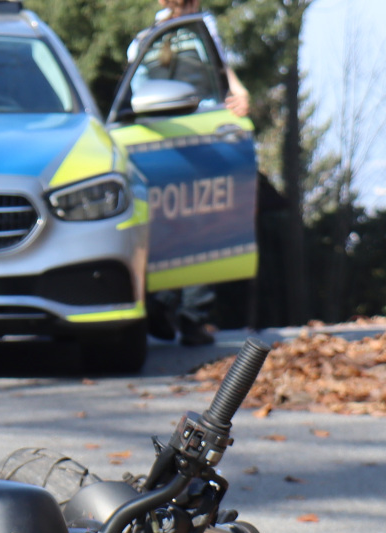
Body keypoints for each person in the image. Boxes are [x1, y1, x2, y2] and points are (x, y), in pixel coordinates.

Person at [129, 1, 249, 347]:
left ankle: (191, 315)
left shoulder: (201, 30)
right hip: (165, 142)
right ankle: (166, 308)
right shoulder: (147, 39)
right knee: (178, 225)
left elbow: (223, 72)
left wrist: (237, 94)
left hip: (196, 138)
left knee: (194, 225)